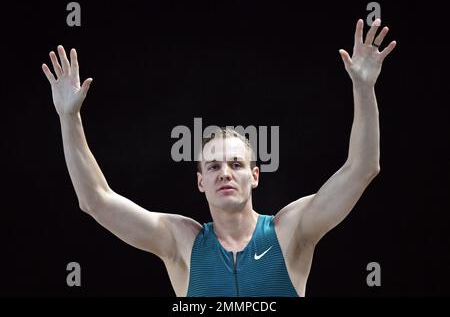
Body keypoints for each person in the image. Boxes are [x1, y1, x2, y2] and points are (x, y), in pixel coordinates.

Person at [41, 18, 396, 297]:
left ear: (255, 176)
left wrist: (363, 88)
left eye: (236, 164)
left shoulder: (291, 230)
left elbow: (362, 168)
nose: (224, 173)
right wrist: (68, 118)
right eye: (213, 166)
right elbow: (95, 200)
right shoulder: (180, 242)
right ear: (200, 181)